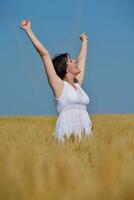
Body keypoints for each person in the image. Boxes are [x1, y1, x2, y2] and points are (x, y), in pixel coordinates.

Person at [20, 19, 93, 143]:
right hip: (67, 137)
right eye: (70, 60)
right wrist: (28, 30)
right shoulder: (59, 87)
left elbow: (82, 59)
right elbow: (44, 55)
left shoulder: (77, 85)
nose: (75, 61)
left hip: (85, 137)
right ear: (64, 68)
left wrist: (84, 41)